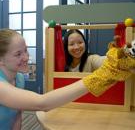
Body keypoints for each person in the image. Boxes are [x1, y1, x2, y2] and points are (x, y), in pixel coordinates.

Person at [0, 28, 134, 130]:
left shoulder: (19, 78)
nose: (26, 57)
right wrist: (99, 77)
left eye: (25, 50)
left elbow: (17, 115)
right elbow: (42, 103)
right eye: (18, 54)